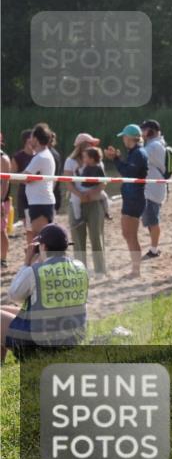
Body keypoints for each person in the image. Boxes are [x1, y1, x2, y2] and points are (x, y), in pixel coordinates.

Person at [1, 224, 89, 362]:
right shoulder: (80, 267)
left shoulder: (37, 271)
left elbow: (14, 295)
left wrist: (27, 263)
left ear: (44, 247)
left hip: (43, 344)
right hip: (72, 338)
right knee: (4, 310)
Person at [105, 124, 148, 279]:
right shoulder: (134, 152)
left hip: (135, 198)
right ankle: (135, 269)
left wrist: (116, 159)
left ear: (129, 138)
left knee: (131, 235)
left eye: (124, 136)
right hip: (130, 197)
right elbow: (128, 171)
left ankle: (136, 271)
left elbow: (128, 173)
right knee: (127, 234)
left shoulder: (138, 153)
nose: (123, 139)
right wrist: (117, 158)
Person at [22, 124, 58, 257]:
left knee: (40, 241)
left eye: (31, 137)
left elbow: (23, 177)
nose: (29, 140)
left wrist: (7, 175)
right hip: (40, 202)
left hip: (40, 203)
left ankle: (42, 270)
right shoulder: (42, 155)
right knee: (41, 240)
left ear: (36, 139)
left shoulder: (41, 157)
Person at [73, 147, 108, 277]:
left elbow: (103, 182)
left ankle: (100, 269)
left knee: (96, 237)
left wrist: (92, 192)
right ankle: (79, 217)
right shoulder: (83, 167)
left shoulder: (98, 168)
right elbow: (80, 179)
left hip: (94, 195)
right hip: (83, 193)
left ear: (92, 158)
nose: (84, 159)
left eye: (86, 156)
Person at [139, 120, 167, 261]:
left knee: (153, 220)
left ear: (152, 130)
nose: (142, 132)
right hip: (151, 188)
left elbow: (140, 157)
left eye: (144, 130)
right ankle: (154, 247)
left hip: (153, 189)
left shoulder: (154, 145)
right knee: (151, 220)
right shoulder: (154, 144)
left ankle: (154, 249)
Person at [0, 135, 10, 268]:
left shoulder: (3, 158)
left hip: (1, 199)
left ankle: (3, 259)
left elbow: (5, 182)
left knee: (1, 231)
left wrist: (1, 200)